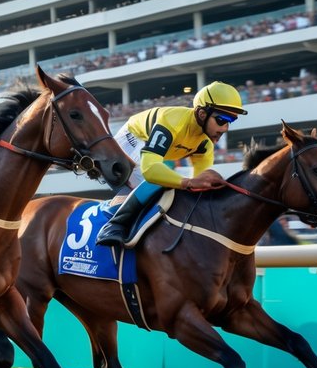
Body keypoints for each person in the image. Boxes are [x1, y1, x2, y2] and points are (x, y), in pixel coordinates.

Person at [96, 81, 246, 247]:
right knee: (159, 185)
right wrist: (187, 182)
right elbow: (150, 170)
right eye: (221, 120)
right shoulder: (173, 121)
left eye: (231, 121)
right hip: (132, 141)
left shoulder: (205, 145)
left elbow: (200, 188)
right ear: (202, 114)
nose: (225, 128)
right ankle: (114, 226)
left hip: (150, 154)